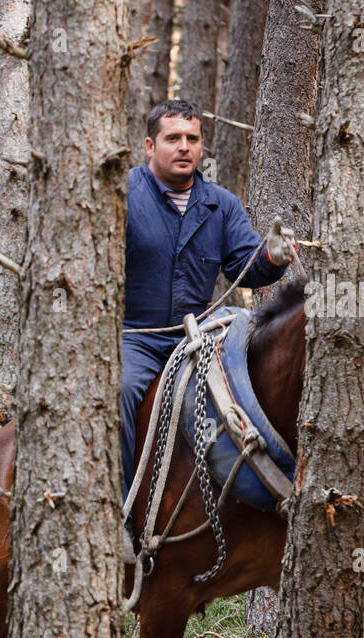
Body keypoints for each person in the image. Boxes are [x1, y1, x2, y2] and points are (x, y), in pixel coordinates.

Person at [121, 99, 297, 497]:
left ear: (202, 147)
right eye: (172, 139)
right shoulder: (124, 193)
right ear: (150, 146)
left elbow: (245, 269)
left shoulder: (221, 204)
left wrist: (271, 256)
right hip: (133, 338)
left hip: (194, 339)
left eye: (192, 139)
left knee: (242, 396)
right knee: (121, 393)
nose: (183, 147)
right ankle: (119, 511)